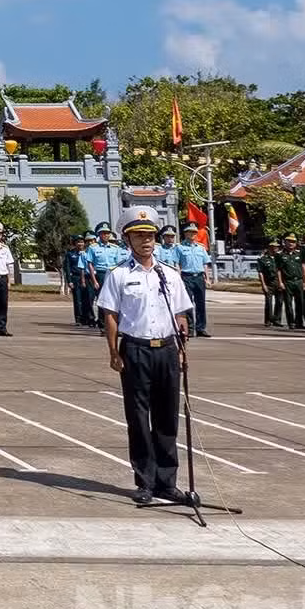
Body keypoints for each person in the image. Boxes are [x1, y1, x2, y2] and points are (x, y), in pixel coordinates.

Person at [95, 204, 196, 507]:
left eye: (149, 235)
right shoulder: (119, 275)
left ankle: (167, 482)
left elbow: (180, 315)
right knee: (139, 418)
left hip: (166, 349)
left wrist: (181, 348)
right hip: (135, 349)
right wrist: (114, 351)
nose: (146, 241)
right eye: (138, 236)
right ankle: (145, 481)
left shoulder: (169, 275)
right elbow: (110, 315)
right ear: (128, 240)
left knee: (167, 418)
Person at [175, 222, 213, 338]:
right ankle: (190, 329)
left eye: (194, 233)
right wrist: (178, 278)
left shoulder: (201, 248)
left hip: (199, 277)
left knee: (201, 303)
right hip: (186, 277)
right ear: (185, 233)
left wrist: (207, 278)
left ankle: (201, 328)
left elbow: (205, 264)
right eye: (189, 232)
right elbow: (177, 264)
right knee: (188, 304)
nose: (192, 234)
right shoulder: (180, 248)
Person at [256, 238, 285, 328]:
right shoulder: (263, 259)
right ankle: (268, 320)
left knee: (279, 302)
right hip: (269, 282)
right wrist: (263, 284)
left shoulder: (280, 258)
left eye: (276, 247)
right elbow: (260, 272)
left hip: (279, 282)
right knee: (268, 302)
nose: (274, 249)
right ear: (268, 248)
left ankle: (277, 319)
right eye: (272, 247)